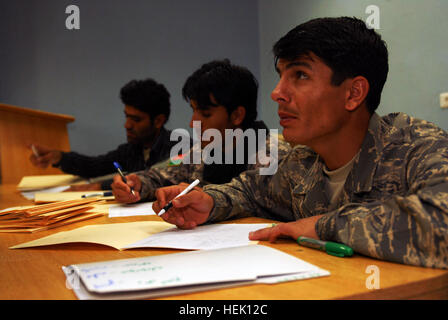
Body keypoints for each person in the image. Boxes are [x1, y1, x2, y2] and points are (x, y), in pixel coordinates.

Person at [152, 17, 448, 269]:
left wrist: (323, 226)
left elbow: (442, 222)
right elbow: (251, 191)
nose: (277, 93)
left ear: (353, 93)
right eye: (281, 76)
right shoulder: (302, 160)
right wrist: (211, 202)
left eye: (301, 75)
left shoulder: (416, 146)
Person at [111, 59, 290, 203]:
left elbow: (256, 203)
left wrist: (204, 197)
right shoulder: (201, 152)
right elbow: (162, 176)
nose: (192, 123)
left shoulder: (273, 157)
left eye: (205, 113)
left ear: (237, 115)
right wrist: (137, 184)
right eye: (193, 110)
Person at [29, 78, 182, 190]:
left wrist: (101, 185)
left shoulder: (180, 147)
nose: (127, 125)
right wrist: (59, 157)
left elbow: (160, 177)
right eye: (126, 116)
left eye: (136, 119)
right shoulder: (131, 149)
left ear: (158, 121)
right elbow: (94, 166)